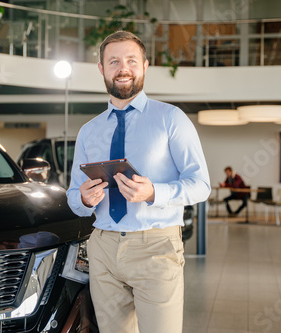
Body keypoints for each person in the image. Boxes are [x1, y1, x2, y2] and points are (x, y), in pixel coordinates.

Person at [66, 31, 210, 333]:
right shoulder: (88, 131)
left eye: (131, 60)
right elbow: (73, 195)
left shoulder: (171, 119)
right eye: (114, 61)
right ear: (101, 69)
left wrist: (154, 192)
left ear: (145, 66)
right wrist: (82, 199)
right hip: (102, 246)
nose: (123, 68)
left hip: (156, 246)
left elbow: (201, 184)